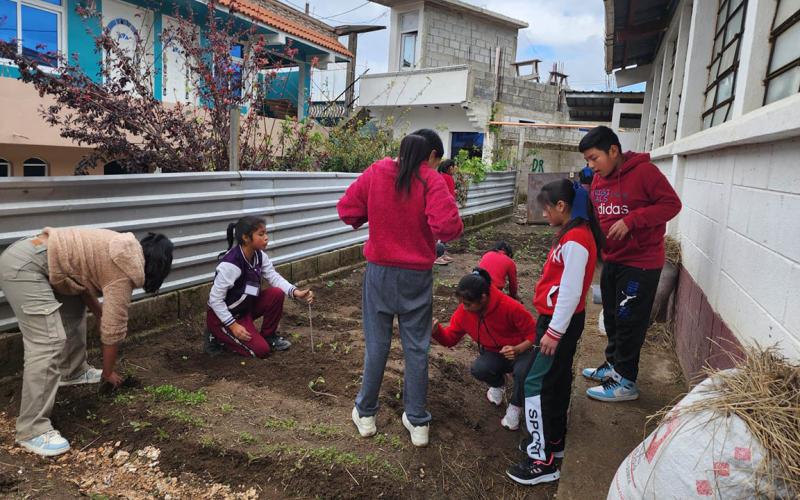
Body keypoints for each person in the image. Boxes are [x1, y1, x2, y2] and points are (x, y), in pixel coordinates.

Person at [0, 227, 174, 457]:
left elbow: (81, 283)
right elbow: (113, 332)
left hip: (37, 255)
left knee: (73, 309)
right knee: (49, 342)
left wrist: (101, 312)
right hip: (25, 268)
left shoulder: (122, 248)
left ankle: (72, 372)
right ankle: (31, 429)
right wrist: (108, 373)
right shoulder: (124, 271)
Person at [338, 132, 463, 447]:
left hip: (379, 274)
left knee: (377, 346)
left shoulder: (377, 172)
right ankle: (418, 421)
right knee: (417, 348)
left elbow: (347, 211)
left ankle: (365, 413)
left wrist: (377, 212)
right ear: (430, 155)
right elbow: (449, 228)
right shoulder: (430, 180)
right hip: (416, 278)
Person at [506, 178, 601, 485]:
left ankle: (540, 458)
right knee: (556, 381)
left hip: (558, 324)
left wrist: (554, 332)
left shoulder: (575, 240)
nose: (544, 215)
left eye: (546, 209)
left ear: (562, 206)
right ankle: (553, 442)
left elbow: (571, 291)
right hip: (559, 322)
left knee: (536, 382)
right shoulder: (575, 234)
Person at [579, 126, 681, 402]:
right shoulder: (599, 181)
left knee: (629, 320)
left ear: (613, 151)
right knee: (611, 316)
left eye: (593, 158)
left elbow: (672, 205)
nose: (590, 166)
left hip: (640, 262)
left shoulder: (645, 173)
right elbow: (600, 216)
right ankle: (613, 366)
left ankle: (626, 381)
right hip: (613, 259)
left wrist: (632, 220)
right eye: (587, 160)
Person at [432, 268, 536, 431]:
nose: (464, 308)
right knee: (479, 369)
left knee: (523, 374)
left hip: (521, 352)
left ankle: (516, 406)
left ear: (483, 298)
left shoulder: (510, 307)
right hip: (494, 353)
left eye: (468, 304)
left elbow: (534, 333)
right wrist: (437, 332)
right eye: (462, 303)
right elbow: (450, 339)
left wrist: (518, 349)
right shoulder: (463, 313)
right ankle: (498, 384)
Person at [206, 216, 314, 358]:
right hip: (224, 317)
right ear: (246, 238)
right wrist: (232, 325)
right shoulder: (231, 265)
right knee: (261, 351)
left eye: (266, 233)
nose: (266, 238)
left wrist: (296, 292)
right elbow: (214, 300)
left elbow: (274, 277)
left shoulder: (259, 256)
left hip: (244, 309)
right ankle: (216, 336)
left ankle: (269, 336)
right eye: (261, 234)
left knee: (276, 293)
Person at [434, 159, 457, 265]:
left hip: (438, 207)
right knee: (443, 233)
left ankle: (441, 253)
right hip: (446, 208)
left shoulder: (440, 176)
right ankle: (437, 255)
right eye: (453, 167)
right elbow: (450, 195)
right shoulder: (448, 178)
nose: (455, 169)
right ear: (449, 168)